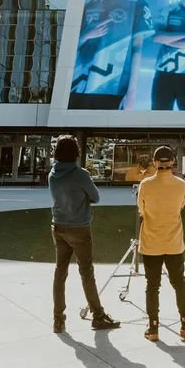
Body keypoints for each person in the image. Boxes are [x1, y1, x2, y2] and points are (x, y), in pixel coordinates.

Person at [48, 135, 121, 333]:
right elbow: (95, 197)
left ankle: (58, 319)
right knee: (86, 272)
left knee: (60, 272)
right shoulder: (81, 174)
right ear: (75, 152)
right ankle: (98, 315)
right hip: (79, 228)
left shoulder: (52, 174)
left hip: (58, 226)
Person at [70, 0, 154, 110]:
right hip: (77, 83)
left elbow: (137, 49)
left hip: (112, 86)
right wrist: (85, 36)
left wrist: (132, 93)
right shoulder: (85, 1)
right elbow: (68, 44)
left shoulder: (137, 3)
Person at [137, 145, 185, 341]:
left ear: (154, 162)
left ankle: (153, 328)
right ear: (172, 162)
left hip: (151, 242)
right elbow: (181, 206)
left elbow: (141, 211)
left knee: (152, 285)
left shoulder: (145, 184)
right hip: (173, 242)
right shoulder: (181, 184)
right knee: (179, 283)